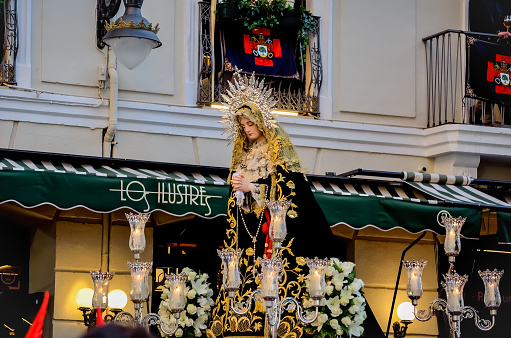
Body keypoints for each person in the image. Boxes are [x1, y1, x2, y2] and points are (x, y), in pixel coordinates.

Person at [207, 71, 348, 338]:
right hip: (252, 235)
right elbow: (241, 208)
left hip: (276, 237)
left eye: (250, 123)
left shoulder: (277, 154)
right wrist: (239, 192)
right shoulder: (243, 157)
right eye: (242, 125)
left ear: (261, 121)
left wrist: (253, 188)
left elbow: (288, 194)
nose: (247, 129)